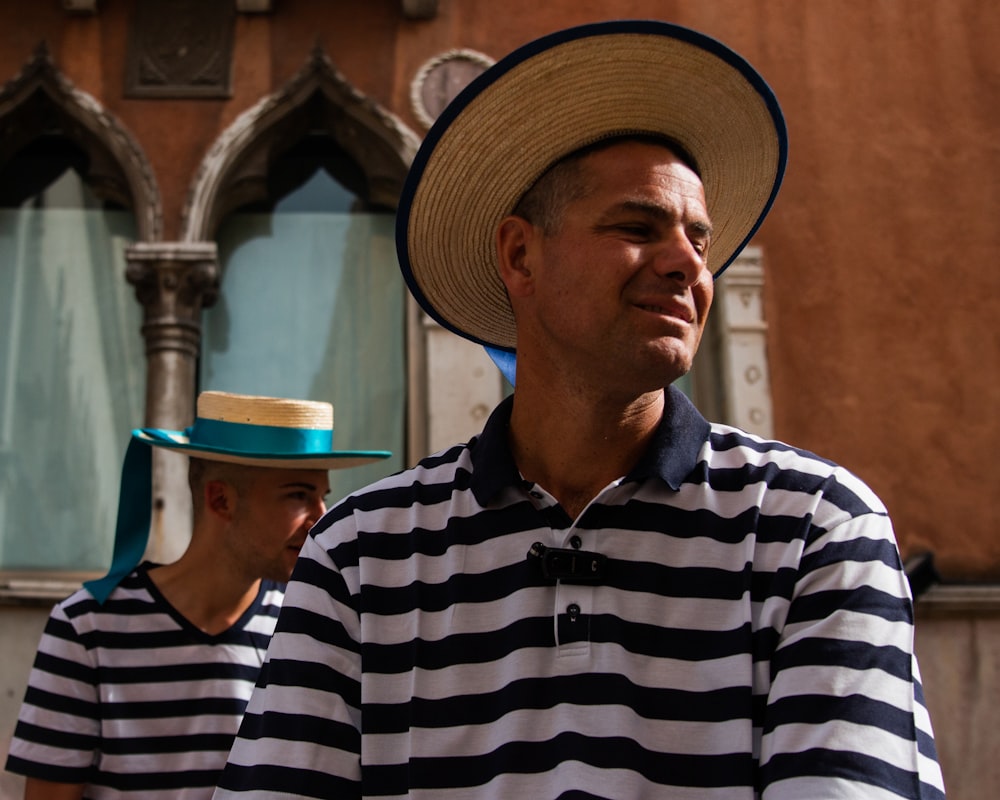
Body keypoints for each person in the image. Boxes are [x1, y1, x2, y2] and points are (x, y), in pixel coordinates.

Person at [215, 20, 946, 800]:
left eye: (699, 240)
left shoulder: (813, 529)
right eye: (637, 227)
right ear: (521, 256)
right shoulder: (362, 555)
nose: (687, 267)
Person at [5, 390, 390, 800]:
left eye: (323, 496)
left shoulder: (311, 625)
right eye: (298, 495)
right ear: (220, 499)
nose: (322, 518)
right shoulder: (85, 630)